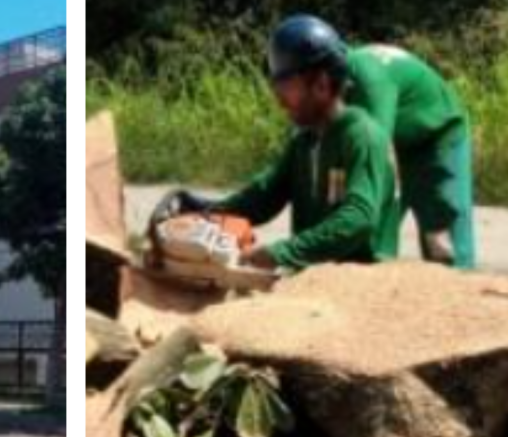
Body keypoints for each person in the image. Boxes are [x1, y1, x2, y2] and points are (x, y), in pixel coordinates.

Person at [151, 15, 400, 273]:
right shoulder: (305, 141)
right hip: (315, 278)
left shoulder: (361, 136)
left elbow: (358, 218)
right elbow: (264, 196)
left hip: (364, 279)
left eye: (287, 88)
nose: (280, 101)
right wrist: (206, 212)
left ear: (322, 85)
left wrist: (282, 253)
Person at [343, 35, 476, 268]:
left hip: (438, 132)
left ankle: (460, 279)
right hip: (399, 138)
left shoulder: (371, 81)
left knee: (442, 232)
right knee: (370, 231)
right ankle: (374, 266)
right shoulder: (325, 85)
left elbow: (380, 155)